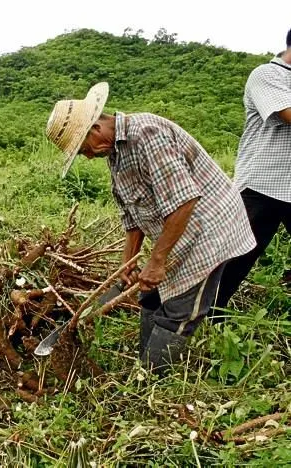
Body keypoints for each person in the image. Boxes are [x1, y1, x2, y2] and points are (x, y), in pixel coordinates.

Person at [45, 82, 255, 371]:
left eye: (84, 150)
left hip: (210, 228)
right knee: (151, 297)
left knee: (179, 311)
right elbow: (132, 213)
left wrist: (157, 261)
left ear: (95, 127)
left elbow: (184, 201)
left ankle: (151, 380)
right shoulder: (115, 152)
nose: (89, 156)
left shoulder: (147, 135)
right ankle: (144, 366)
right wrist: (128, 263)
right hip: (180, 230)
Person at [214, 29, 291, 310]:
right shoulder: (268, 75)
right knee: (237, 257)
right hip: (262, 185)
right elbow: (287, 114)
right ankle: (208, 314)